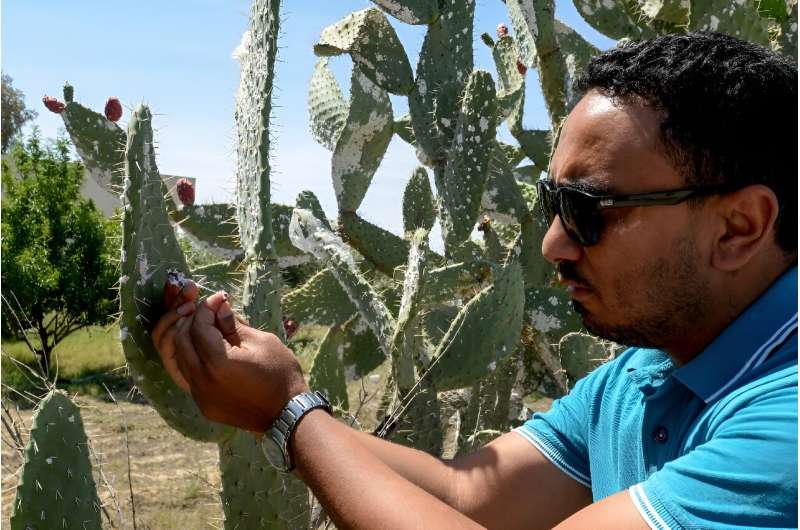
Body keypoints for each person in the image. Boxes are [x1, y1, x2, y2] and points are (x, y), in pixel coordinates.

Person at [152, 32, 797, 529]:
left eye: (586, 210)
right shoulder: (642, 374)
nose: (552, 245)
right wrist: (275, 405)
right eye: (551, 205)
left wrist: (289, 412)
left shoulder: (785, 431)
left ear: (739, 227)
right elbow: (469, 495)